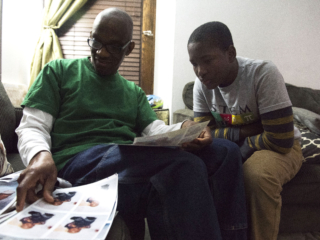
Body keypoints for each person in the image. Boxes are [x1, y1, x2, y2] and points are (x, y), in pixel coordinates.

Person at [15, 8, 247, 240]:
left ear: (129, 49)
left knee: (226, 151)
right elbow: (32, 125)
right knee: (183, 166)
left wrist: (185, 129)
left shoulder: (134, 92)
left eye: (114, 46)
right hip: (79, 164)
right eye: (96, 42)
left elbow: (155, 130)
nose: (102, 52)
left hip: (124, 163)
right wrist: (40, 155)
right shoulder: (59, 71)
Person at [187, 21, 304, 240]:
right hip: (236, 146)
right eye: (194, 63)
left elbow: (280, 140)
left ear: (230, 53)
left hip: (281, 149)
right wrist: (245, 132)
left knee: (256, 175)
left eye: (207, 60)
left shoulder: (262, 74)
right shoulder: (200, 85)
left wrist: (245, 145)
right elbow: (205, 134)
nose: (200, 71)